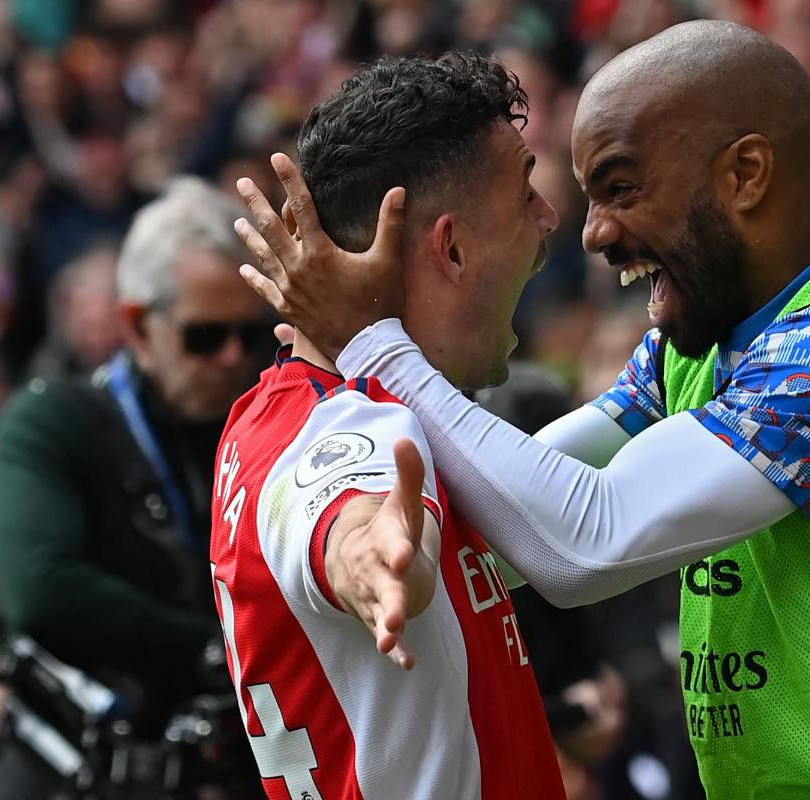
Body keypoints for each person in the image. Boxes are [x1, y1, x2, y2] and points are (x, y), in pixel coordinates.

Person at [236, 21, 810, 799]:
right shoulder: (702, 341)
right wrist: (351, 512)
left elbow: (584, 542)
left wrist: (374, 342)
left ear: (745, 174)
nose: (592, 233)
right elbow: (503, 518)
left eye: (623, 187)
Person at [209, 54, 565, 799]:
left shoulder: (263, 416)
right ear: (453, 247)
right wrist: (376, 560)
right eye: (525, 192)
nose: (549, 219)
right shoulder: (356, 425)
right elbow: (350, 513)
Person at [0, 177, 268, 797]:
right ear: (139, 329)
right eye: (205, 337)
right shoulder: (54, 421)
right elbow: (44, 589)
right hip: (73, 771)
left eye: (249, 336)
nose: (232, 357)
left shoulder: (266, 425)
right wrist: (217, 652)